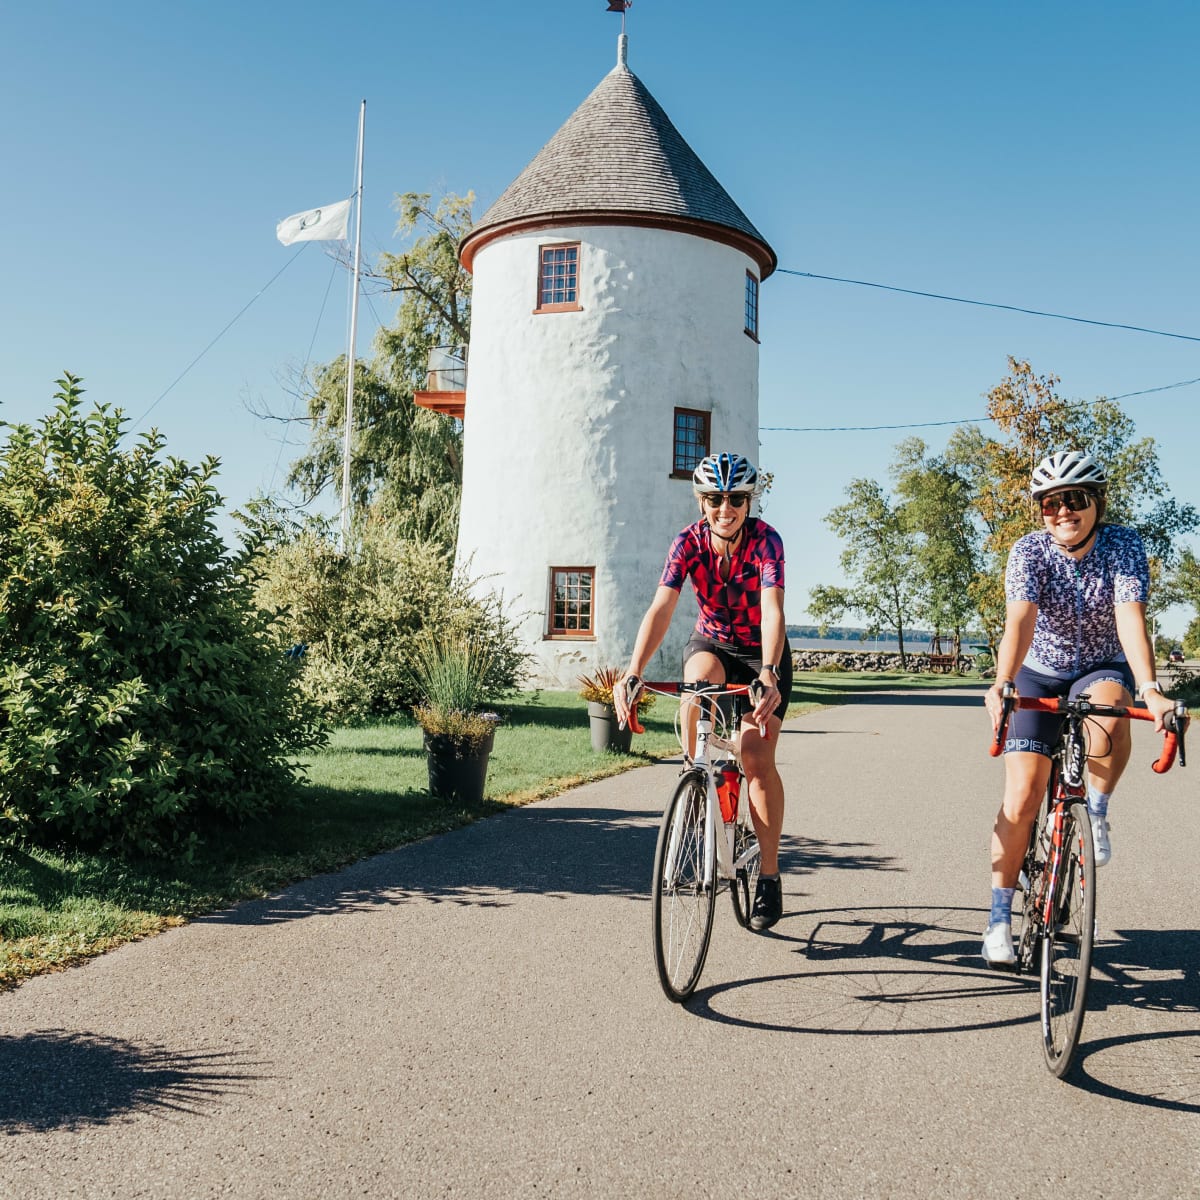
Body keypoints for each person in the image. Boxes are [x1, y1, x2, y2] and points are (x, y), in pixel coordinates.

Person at [981, 450, 1176, 965]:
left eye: (1075, 500)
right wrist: (1003, 683)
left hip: (1099, 664)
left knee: (1111, 708)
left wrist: (1151, 689)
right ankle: (999, 917)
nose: (1063, 511)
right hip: (1038, 667)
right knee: (1022, 797)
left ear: (1097, 502)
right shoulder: (1028, 551)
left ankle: (1097, 810)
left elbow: (1130, 618)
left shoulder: (1123, 545)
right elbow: (1019, 622)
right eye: (1050, 504)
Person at [614, 452, 791, 932]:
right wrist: (633, 671)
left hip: (761, 654)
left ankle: (769, 876)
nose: (725, 508)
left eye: (736, 499)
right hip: (712, 640)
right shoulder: (687, 543)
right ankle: (696, 780)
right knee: (696, 685)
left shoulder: (765, 542)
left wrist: (770, 672)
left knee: (755, 757)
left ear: (748, 501)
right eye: (715, 499)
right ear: (701, 500)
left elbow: (773, 610)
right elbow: (662, 608)